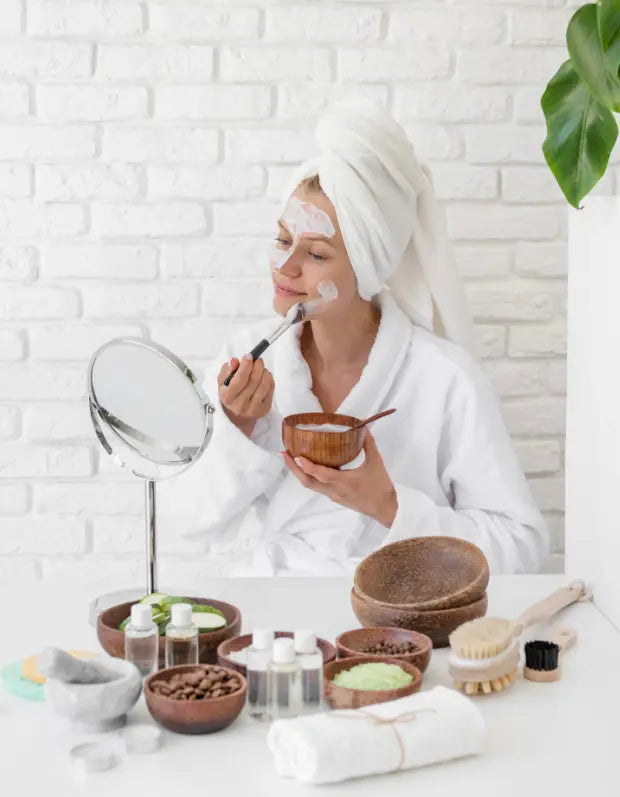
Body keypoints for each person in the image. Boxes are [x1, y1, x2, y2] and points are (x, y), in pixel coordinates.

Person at [159, 98, 549, 577]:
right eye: (283, 241)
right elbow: (187, 522)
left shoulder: (445, 379)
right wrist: (236, 429)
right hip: (273, 620)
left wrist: (388, 505)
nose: (285, 266)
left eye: (317, 254)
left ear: (366, 267)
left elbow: (524, 546)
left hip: (392, 623)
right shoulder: (246, 364)